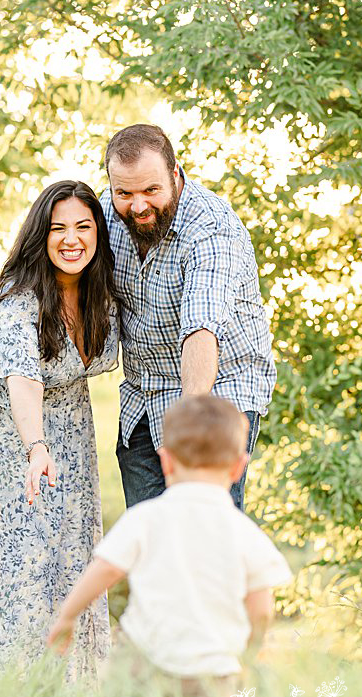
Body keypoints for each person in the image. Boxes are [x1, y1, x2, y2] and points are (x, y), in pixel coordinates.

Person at [0, 180, 119, 684]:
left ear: (99, 231)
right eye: (58, 228)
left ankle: (66, 689)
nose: (71, 238)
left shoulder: (104, 296)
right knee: (6, 566)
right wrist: (36, 447)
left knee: (67, 553)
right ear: (41, 234)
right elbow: (22, 378)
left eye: (83, 226)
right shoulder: (20, 299)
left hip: (68, 430)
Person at [45, 393, 290, 697]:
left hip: (143, 660)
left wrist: (67, 617)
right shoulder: (246, 534)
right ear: (239, 467)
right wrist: (248, 653)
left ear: (166, 460)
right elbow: (261, 609)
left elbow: (104, 569)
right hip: (213, 671)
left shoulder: (145, 518)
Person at [100, 123, 276, 512]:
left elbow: (201, 329)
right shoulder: (107, 215)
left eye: (151, 190)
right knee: (149, 536)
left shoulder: (211, 229)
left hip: (217, 392)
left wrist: (190, 433)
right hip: (145, 394)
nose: (138, 205)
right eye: (124, 193)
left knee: (203, 527)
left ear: (176, 175)